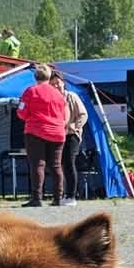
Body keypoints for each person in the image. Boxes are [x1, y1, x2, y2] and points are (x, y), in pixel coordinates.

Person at [17, 64, 67, 207]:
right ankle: (58, 198)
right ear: (49, 77)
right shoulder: (58, 94)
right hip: (58, 133)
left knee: (38, 165)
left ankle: (37, 198)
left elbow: (21, 112)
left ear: (35, 77)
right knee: (56, 166)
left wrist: (26, 116)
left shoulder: (31, 91)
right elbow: (63, 114)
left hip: (36, 131)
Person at [50, 71, 88, 206]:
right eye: (52, 84)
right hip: (56, 135)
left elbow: (83, 115)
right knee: (57, 166)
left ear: (63, 83)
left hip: (71, 135)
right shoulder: (50, 100)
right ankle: (61, 195)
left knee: (68, 163)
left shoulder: (72, 96)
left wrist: (74, 127)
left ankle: (71, 196)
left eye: (57, 83)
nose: (55, 86)